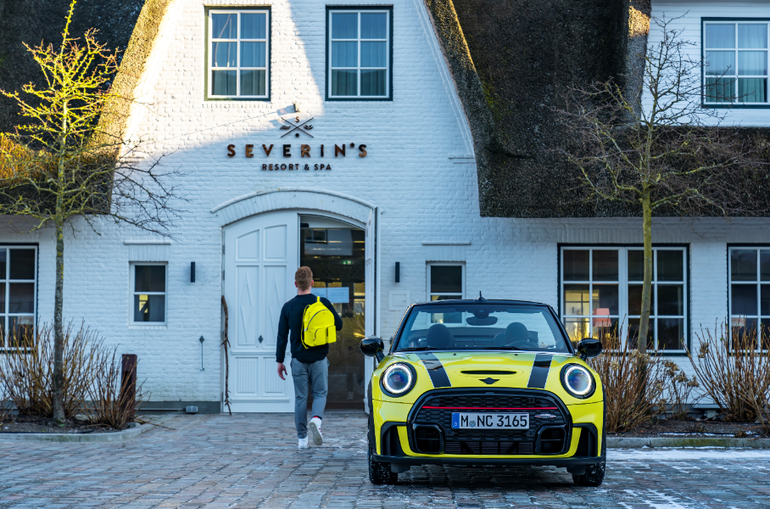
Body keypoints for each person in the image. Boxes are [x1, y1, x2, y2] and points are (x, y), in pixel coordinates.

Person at [276, 266, 343, 449]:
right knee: (320, 393)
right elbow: (339, 325)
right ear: (312, 283)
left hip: (298, 359)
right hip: (319, 358)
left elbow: (282, 337)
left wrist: (280, 361)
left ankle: (302, 439)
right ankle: (316, 420)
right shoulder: (323, 303)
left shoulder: (288, 307)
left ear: (296, 284)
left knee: (300, 398)